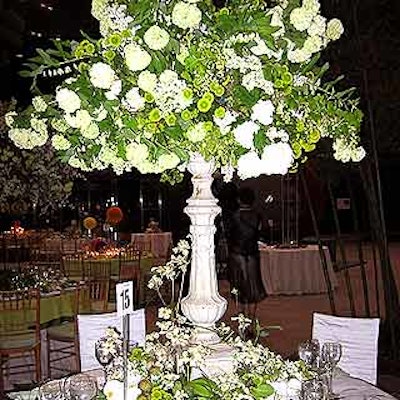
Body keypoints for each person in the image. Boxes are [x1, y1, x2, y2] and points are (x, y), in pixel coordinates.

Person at [226, 187, 266, 322]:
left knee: (239, 286)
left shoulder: (233, 216)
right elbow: (261, 233)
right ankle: (252, 317)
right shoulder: (258, 215)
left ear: (238, 200)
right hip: (253, 254)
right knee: (254, 285)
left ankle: (242, 318)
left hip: (237, 255)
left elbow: (229, 236)